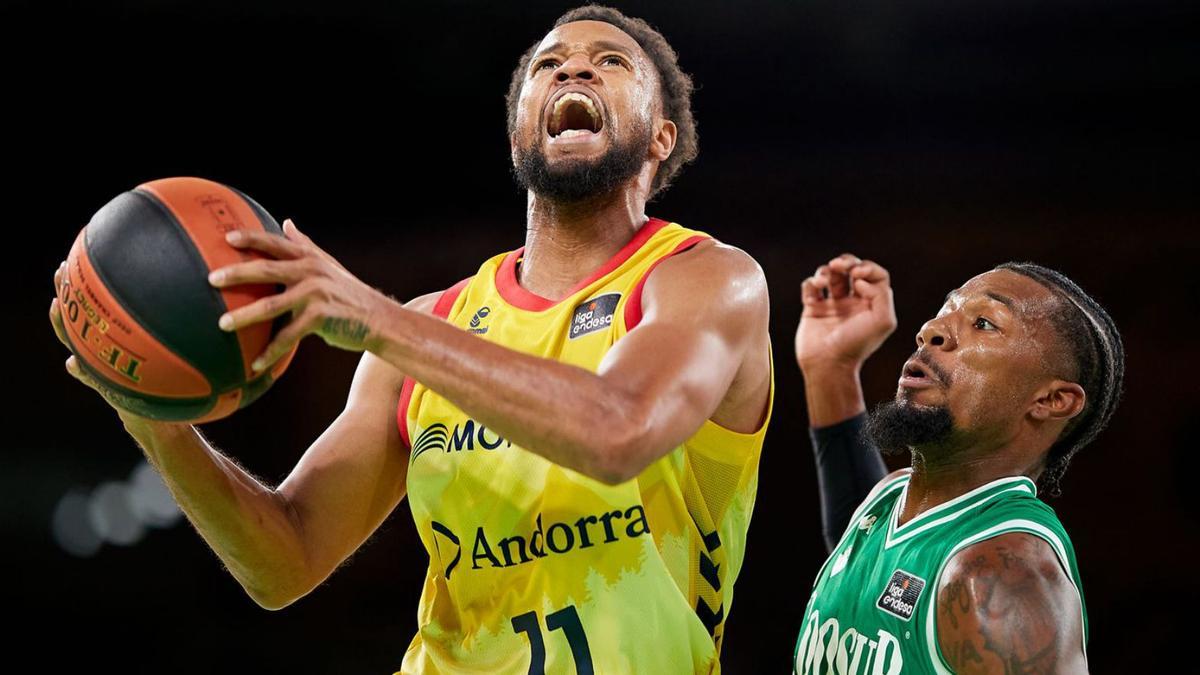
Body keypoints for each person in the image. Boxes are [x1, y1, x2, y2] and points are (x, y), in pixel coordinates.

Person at [49, 5, 772, 674]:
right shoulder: (435, 325)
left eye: (611, 63)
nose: (574, 69)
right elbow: (286, 559)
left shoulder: (706, 281)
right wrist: (152, 414)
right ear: (518, 126)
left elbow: (619, 429)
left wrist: (380, 320)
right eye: (549, 64)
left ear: (660, 137)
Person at [792, 254, 1122, 674]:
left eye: (984, 323)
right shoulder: (894, 501)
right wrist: (831, 368)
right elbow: (875, 574)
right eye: (943, 313)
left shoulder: (1002, 576)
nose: (930, 331)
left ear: (1051, 400)